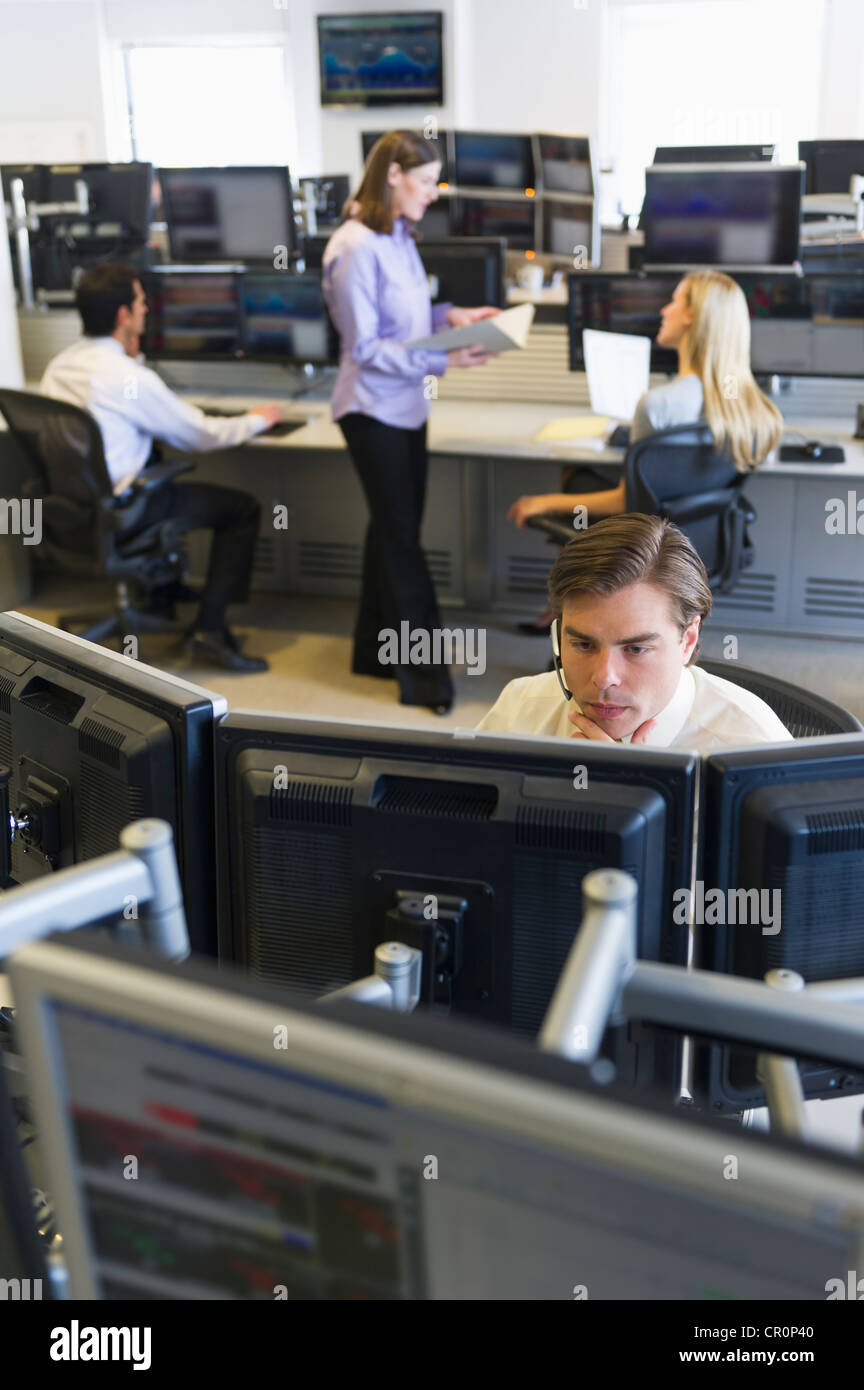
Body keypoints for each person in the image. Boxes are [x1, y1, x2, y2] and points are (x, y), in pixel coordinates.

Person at [322, 129, 499, 713]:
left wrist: (452, 315)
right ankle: (426, 679)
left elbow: (405, 317)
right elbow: (366, 346)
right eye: (425, 181)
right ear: (393, 175)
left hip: (406, 405)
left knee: (390, 529)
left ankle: (372, 653)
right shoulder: (354, 246)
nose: (433, 192)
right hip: (371, 408)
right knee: (402, 540)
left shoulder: (397, 236)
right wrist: (444, 360)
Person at [507, 270, 784, 632]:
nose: (664, 310)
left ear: (691, 316)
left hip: (647, 548)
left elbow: (626, 502)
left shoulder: (657, 404)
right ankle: (566, 614)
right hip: (699, 541)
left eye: (674, 301)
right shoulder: (757, 410)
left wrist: (543, 502)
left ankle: (569, 615)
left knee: (574, 476)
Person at [40, 262, 282, 672]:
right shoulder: (124, 377)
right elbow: (201, 435)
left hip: (72, 513)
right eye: (141, 302)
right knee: (241, 509)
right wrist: (258, 420)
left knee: (154, 459)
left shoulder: (59, 366)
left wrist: (134, 357)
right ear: (123, 315)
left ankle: (163, 596)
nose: (147, 308)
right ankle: (211, 630)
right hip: (124, 512)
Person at [476, 514, 793, 750]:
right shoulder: (520, 709)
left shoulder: (752, 746)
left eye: (636, 649)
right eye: (583, 644)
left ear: (688, 640)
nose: (604, 678)